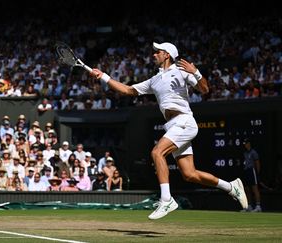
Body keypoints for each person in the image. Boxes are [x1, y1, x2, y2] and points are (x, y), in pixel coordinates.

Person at [91, 42, 248, 219]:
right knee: (190, 174)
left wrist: (195, 72)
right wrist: (103, 76)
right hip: (173, 125)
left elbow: (204, 89)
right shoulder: (154, 79)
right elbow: (128, 90)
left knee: (157, 152)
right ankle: (231, 186)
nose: (153, 54)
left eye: (157, 52)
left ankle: (166, 199)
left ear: (167, 55)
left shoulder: (181, 71)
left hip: (184, 121)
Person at [242, 139, 262, 212]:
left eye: (246, 143)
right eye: (244, 144)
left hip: (252, 171)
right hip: (246, 171)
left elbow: (257, 163)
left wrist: (257, 173)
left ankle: (258, 206)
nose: (245, 145)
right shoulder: (245, 153)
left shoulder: (253, 152)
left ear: (249, 143)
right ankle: (249, 206)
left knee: (254, 189)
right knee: (247, 189)